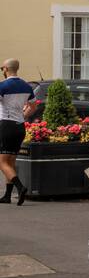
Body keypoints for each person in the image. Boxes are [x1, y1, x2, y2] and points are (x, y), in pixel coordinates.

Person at [0, 59, 37, 205]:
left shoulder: (2, 86)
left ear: (6, 69)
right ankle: (7, 196)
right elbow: (33, 107)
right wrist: (23, 116)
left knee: (2, 162)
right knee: (11, 162)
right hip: (20, 126)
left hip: (6, 126)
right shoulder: (26, 86)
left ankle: (20, 187)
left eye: (2, 68)